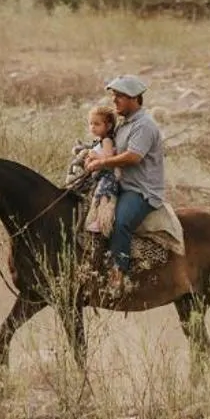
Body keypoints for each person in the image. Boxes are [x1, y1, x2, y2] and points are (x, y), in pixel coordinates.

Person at [78, 75, 169, 282]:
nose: (114, 100)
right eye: (114, 95)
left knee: (120, 222)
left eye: (120, 96)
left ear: (135, 98)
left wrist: (101, 163)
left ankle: (118, 275)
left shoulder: (144, 125)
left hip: (140, 190)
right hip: (122, 184)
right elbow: (111, 150)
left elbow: (133, 157)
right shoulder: (124, 124)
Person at [65, 104, 123, 238]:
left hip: (107, 176)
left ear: (108, 126)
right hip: (98, 175)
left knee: (101, 194)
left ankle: (101, 221)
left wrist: (94, 156)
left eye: (97, 124)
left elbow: (109, 159)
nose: (92, 127)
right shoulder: (98, 141)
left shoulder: (107, 140)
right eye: (90, 124)